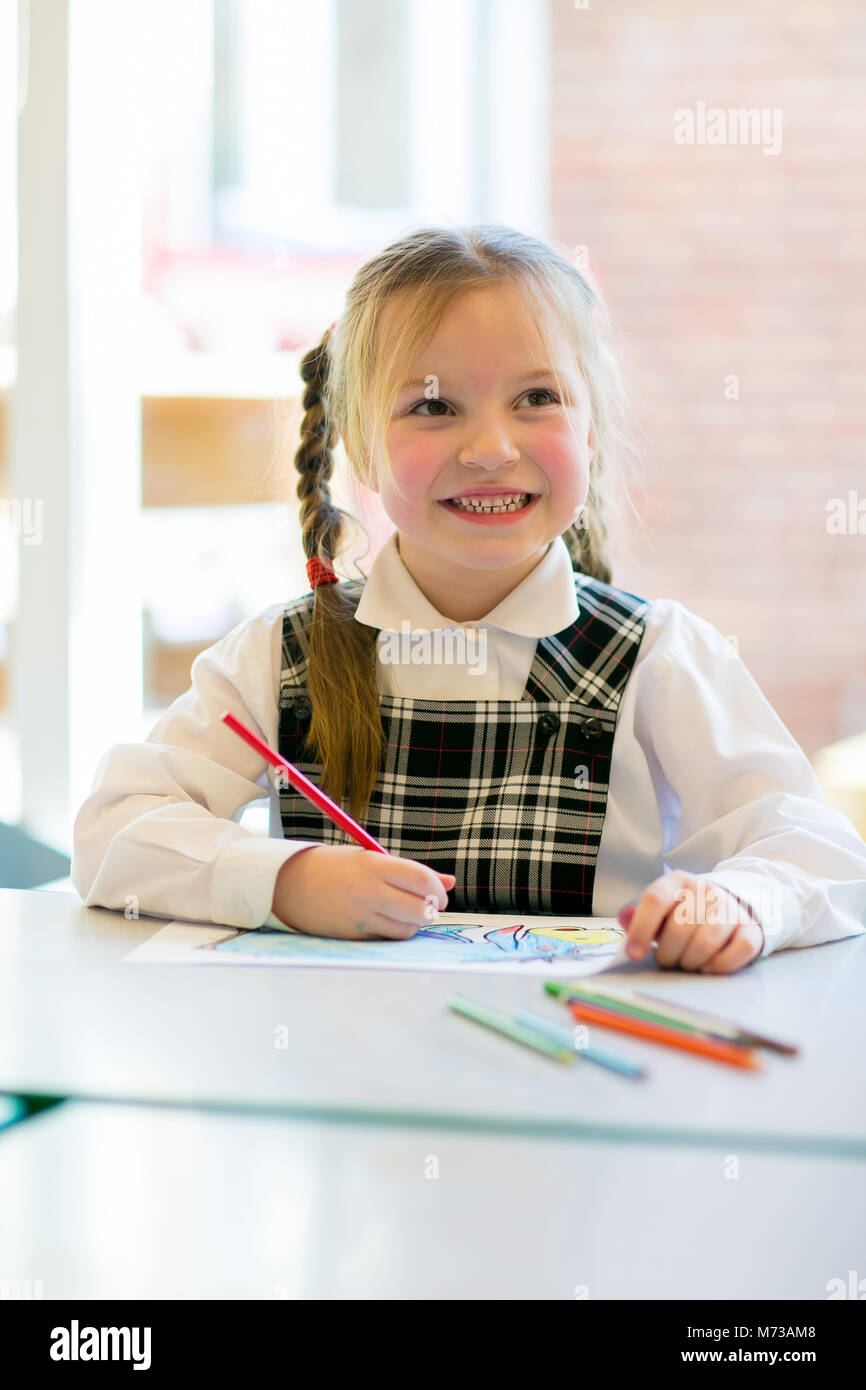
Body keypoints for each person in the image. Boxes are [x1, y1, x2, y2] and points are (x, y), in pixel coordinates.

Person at [72, 224, 866, 972]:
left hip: (577, 1069)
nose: (491, 448)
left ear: (590, 431)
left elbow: (818, 849)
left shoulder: (659, 656)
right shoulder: (281, 656)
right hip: (339, 1076)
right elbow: (112, 831)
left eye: (536, 399)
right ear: (361, 450)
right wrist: (286, 879)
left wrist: (736, 900)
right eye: (433, 406)